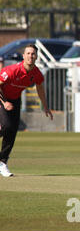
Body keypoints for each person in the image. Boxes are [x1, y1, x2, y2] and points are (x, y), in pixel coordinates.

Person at [0, 44, 53, 177]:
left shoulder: (36, 73)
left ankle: (2, 163)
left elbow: (40, 88)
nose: (30, 56)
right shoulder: (12, 70)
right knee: (6, 126)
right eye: (28, 53)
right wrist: (4, 102)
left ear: (36, 57)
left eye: (33, 54)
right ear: (23, 56)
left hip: (15, 101)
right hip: (2, 98)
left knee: (12, 130)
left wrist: (45, 106)